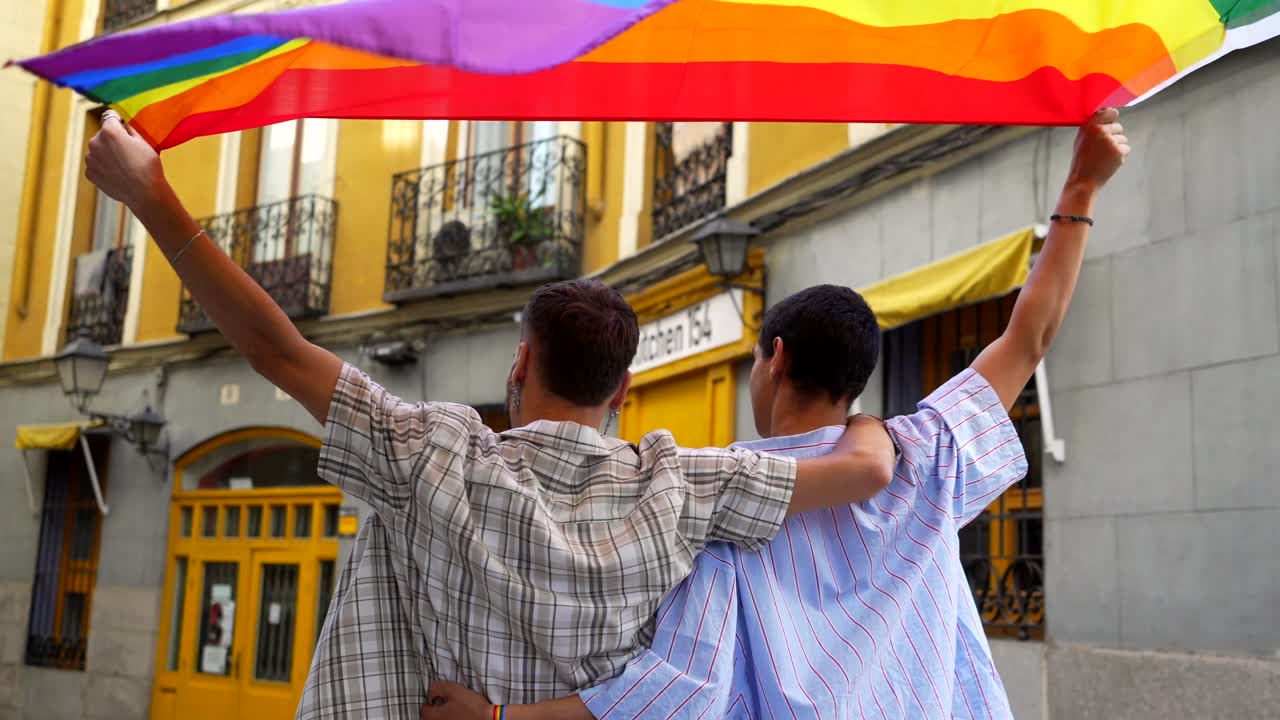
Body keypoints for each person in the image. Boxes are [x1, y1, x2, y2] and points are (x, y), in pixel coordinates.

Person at [84, 116, 899, 712]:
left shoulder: (432, 452)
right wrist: (866, 419)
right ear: (622, 392)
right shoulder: (681, 488)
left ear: (520, 366)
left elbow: (277, 350)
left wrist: (151, 193)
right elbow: (866, 469)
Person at [418, 108, 1130, 719]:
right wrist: (1081, 186)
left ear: (776, 359)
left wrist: (505, 715)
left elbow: (672, 691)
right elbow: (1028, 336)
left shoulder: (724, 499)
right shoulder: (924, 460)